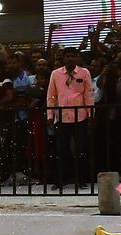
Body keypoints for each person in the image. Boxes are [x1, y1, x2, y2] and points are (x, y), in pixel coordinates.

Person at [46, 46, 94, 189]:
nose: (70, 58)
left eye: (72, 56)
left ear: (77, 57)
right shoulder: (55, 74)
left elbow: (89, 94)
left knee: (81, 149)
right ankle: (61, 179)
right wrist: (50, 115)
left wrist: (91, 114)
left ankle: (81, 179)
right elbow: (51, 95)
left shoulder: (84, 72)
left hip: (80, 116)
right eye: (67, 56)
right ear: (63, 58)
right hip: (62, 116)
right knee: (62, 149)